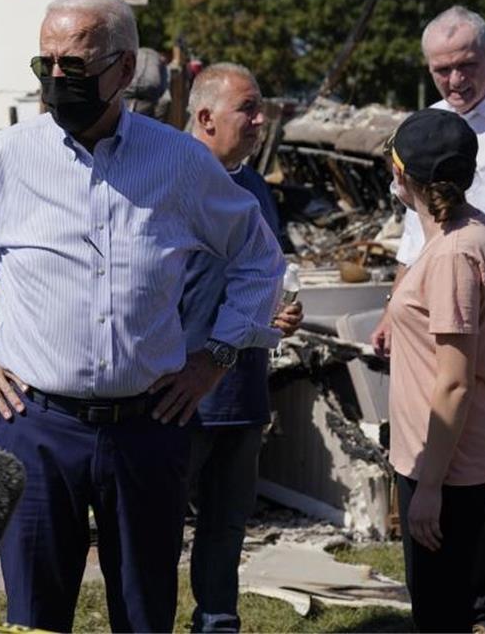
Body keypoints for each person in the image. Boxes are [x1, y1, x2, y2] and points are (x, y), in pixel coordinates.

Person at [0, 0, 287, 633]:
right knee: (34, 614)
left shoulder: (179, 162)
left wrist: (214, 360)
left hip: (149, 427)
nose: (56, 80)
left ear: (125, 70)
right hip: (37, 426)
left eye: (73, 66)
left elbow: (259, 260)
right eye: (44, 64)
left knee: (143, 611)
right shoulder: (8, 158)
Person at [371, 5, 485, 630]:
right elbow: (418, 234)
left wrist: (429, 485)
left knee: (445, 602)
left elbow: (456, 381)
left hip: (456, 444)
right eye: (442, 68)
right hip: (451, 307)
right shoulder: (457, 218)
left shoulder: (465, 244)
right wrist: (398, 303)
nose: (455, 79)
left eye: (466, 64)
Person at [179, 63, 303, 633]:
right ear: (205, 117)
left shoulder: (253, 187)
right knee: (152, 527)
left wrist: (279, 311)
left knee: (226, 525)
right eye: (247, 109)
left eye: (259, 108)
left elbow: (260, 277)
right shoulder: (167, 177)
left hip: (242, 388)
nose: (261, 120)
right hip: (175, 393)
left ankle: (217, 624)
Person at [385, 108, 485, 633]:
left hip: (449, 469)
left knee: (440, 614)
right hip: (450, 459)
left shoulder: (455, 254)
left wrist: (431, 487)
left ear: (401, 176)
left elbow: (456, 380)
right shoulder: (470, 231)